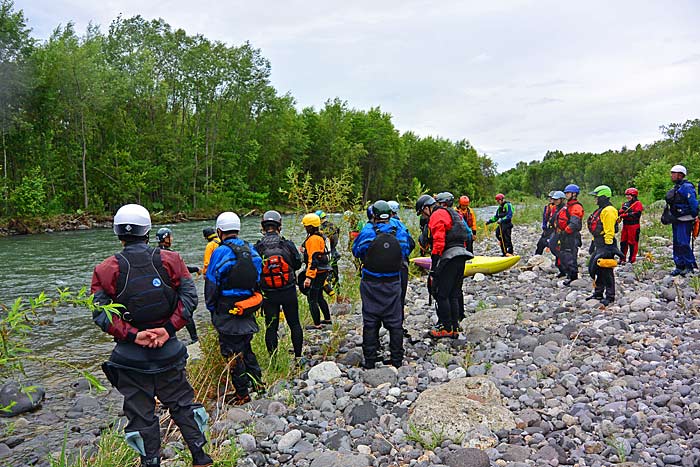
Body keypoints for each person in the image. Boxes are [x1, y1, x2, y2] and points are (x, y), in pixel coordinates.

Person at [91, 204, 213, 467]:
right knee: (182, 404)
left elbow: (101, 314)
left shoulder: (104, 269)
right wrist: (168, 329)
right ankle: (201, 457)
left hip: (130, 358)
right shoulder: (171, 260)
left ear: (118, 233)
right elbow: (189, 298)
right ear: (148, 230)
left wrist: (133, 335)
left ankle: (150, 462)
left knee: (141, 416)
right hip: (168, 350)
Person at [204, 212, 263, 406]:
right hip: (247, 307)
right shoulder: (251, 250)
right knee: (246, 347)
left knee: (232, 352)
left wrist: (212, 308)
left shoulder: (219, 252)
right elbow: (258, 279)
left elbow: (212, 283)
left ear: (219, 231)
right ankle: (258, 384)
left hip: (226, 309)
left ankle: (242, 394)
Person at [352, 200, 413, 368]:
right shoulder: (399, 228)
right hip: (393, 281)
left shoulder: (367, 231)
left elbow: (356, 251)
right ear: (390, 214)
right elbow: (408, 249)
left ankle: (370, 360)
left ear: (374, 215)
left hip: (371, 282)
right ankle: (397, 359)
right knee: (395, 321)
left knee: (370, 320)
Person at [416, 194, 470, 338]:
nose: (424, 215)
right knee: (454, 293)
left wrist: (435, 262)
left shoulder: (437, 214)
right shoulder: (453, 212)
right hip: (461, 254)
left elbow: (439, 240)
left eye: (422, 212)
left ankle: (446, 327)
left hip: (449, 257)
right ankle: (455, 327)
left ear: (427, 207)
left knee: (442, 293)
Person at [254, 210, 304, 361]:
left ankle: (273, 361)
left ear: (263, 227)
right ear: (279, 226)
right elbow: (296, 264)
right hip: (288, 290)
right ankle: (298, 357)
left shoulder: (258, 247)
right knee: (294, 323)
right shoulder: (287, 244)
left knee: (271, 326)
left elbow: (254, 271)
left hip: (268, 294)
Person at [156, 227, 201, 343]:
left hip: (160, 290)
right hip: (173, 289)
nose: (172, 238)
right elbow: (182, 270)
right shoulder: (172, 255)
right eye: (170, 236)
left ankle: (168, 338)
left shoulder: (152, 253)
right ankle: (194, 339)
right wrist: (196, 268)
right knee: (186, 313)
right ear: (166, 238)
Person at [587, 186, 621, 306]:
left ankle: (610, 296)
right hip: (599, 243)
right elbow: (598, 229)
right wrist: (592, 243)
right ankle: (598, 293)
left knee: (606, 270)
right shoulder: (601, 210)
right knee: (596, 268)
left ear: (603, 196)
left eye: (596, 196)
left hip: (607, 244)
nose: (595, 199)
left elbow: (609, 230)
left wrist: (608, 246)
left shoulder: (609, 210)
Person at [663, 165, 698, 276]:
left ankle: (689, 265)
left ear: (680, 175)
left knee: (683, 242)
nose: (672, 175)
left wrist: (694, 215)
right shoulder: (677, 187)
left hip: (685, 219)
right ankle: (679, 265)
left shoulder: (687, 187)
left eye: (674, 173)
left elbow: (693, 203)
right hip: (676, 219)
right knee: (677, 243)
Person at [300, 213, 333, 329]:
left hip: (317, 272)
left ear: (310, 227)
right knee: (319, 296)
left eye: (306, 226)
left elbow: (313, 260)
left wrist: (308, 277)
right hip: (323, 270)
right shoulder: (321, 236)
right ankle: (327, 319)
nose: (304, 228)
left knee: (312, 298)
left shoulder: (313, 239)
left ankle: (317, 324)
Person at [556, 184, 585, 285]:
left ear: (574, 194)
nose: (566, 195)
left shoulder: (576, 207)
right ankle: (568, 274)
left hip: (571, 235)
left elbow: (574, 223)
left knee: (570, 256)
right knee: (564, 254)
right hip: (565, 235)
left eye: (567, 193)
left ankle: (573, 276)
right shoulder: (567, 205)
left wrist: (565, 232)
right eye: (566, 193)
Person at [618, 188, 644, 264]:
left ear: (634, 195)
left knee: (632, 242)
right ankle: (622, 258)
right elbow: (620, 212)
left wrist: (626, 215)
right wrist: (620, 213)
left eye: (629, 195)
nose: (627, 197)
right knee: (623, 242)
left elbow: (637, 215)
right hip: (625, 226)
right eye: (627, 195)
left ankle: (632, 259)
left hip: (634, 226)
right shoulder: (625, 204)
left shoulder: (637, 203)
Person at [316, 210, 341, 287]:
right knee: (335, 274)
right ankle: (338, 293)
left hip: (326, 254)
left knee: (327, 276)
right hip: (334, 252)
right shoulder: (333, 226)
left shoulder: (321, 229)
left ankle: (329, 294)